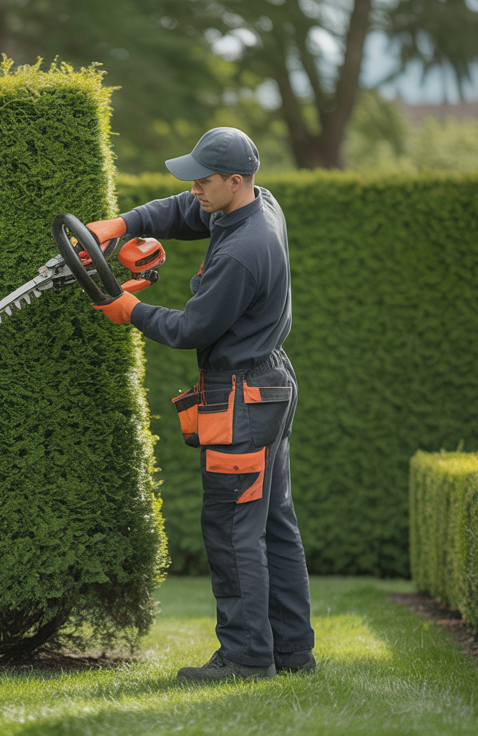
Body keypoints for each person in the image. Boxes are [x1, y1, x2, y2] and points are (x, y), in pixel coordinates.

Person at [86, 128, 315, 682]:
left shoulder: (242, 251)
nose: (194, 188)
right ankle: (292, 653)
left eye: (203, 180)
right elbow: (187, 211)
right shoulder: (255, 203)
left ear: (235, 180)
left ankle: (245, 658)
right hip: (269, 382)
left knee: (233, 528)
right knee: (273, 523)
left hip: (241, 396)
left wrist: (128, 310)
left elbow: (192, 328)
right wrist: (124, 224)